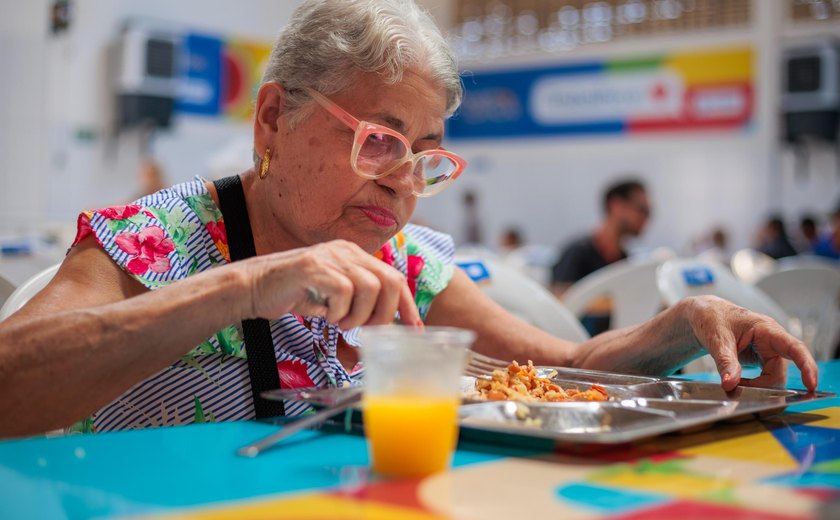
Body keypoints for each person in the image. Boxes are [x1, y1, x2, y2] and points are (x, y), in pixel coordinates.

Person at [0, 0, 817, 439]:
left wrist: (677, 326)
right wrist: (243, 286)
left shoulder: (407, 264)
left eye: (423, 157)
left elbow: (566, 364)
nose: (402, 188)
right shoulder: (153, 240)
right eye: (378, 142)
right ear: (274, 120)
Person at [550, 179, 650, 298]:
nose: (646, 218)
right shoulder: (578, 251)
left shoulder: (624, 259)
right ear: (616, 205)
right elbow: (559, 297)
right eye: (642, 210)